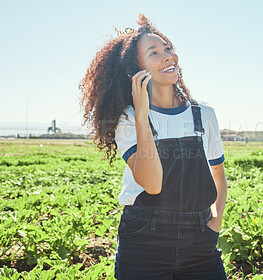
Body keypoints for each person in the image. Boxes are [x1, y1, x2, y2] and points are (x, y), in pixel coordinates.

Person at [80, 14, 228, 280]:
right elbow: (153, 184)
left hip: (200, 242)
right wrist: (141, 115)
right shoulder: (127, 119)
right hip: (144, 242)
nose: (167, 56)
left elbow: (218, 175)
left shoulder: (204, 114)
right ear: (135, 71)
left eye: (168, 48)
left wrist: (214, 223)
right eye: (154, 53)